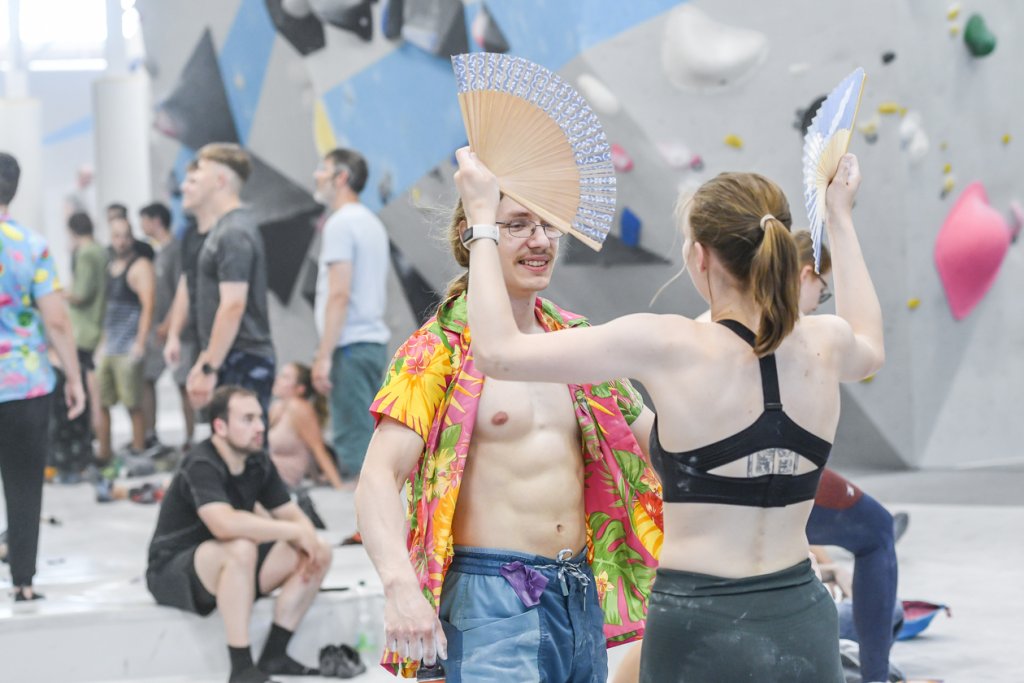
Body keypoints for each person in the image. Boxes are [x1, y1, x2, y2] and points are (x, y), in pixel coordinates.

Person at [459, 148, 883, 682]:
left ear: (700, 257)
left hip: (700, 624)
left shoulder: (668, 344)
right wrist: (840, 216)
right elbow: (872, 341)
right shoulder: (827, 342)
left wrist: (481, 220)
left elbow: (497, 354)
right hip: (803, 618)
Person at [355, 196, 662, 680]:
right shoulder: (438, 350)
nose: (539, 240)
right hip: (491, 599)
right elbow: (378, 475)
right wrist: (398, 586)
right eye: (518, 225)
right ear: (472, 235)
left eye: (547, 225)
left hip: (578, 591)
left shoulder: (575, 340)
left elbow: (657, 442)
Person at [146, 385, 332, 683]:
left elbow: (294, 517)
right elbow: (224, 525)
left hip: (230, 569)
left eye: (260, 417)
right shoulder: (201, 462)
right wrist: (292, 530)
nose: (259, 427)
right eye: (247, 419)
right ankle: (242, 668)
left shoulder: (257, 461)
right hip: (172, 571)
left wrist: (305, 536)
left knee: (319, 550)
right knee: (240, 547)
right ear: (220, 426)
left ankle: (274, 653)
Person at [794, 231, 900, 683]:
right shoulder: (811, 333)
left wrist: (819, 555)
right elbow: (869, 347)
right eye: (823, 287)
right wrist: (841, 215)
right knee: (877, 532)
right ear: (804, 275)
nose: (822, 298)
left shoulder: (703, 326)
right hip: (785, 483)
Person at [0, 151, 87, 601]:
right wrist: (74, 378)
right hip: (25, 383)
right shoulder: (31, 246)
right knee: (24, 482)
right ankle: (23, 582)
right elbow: (56, 321)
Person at [310, 148, 390, 484]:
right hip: (371, 344)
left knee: (355, 443)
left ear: (341, 178)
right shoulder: (370, 222)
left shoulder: (340, 224)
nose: (316, 175)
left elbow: (339, 293)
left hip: (350, 347)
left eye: (323, 169)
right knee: (371, 441)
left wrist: (324, 355)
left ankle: (367, 533)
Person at [182, 144, 276, 417]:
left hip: (242, 357)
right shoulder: (224, 229)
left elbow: (233, 305)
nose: (189, 184)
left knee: (247, 453)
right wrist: (206, 358)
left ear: (220, 181)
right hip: (231, 355)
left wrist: (210, 366)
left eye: (198, 175)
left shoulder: (233, 232)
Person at [96, 216, 155, 461]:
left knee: (133, 403)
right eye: (116, 236)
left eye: (125, 235)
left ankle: (138, 450)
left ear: (132, 237)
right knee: (103, 402)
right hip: (109, 345)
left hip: (128, 346)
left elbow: (149, 305)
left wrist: (140, 342)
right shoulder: (110, 266)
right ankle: (105, 452)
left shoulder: (140, 266)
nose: (121, 241)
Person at [138, 201, 189, 453]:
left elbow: (184, 289)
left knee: (185, 384)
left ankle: (190, 441)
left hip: (179, 332)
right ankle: (151, 436)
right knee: (147, 379)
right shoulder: (157, 252)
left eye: (144, 220)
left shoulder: (176, 251)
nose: (142, 226)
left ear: (156, 220)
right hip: (158, 331)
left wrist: (170, 325)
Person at [64, 210, 108, 464]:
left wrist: (55, 294)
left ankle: (92, 448)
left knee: (85, 389)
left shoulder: (87, 253)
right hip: (92, 324)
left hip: (83, 328)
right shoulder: (98, 251)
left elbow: (80, 293)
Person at [268, 362, 344, 490]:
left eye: (285, 377)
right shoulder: (276, 407)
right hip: (268, 475)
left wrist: (338, 486)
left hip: (282, 482)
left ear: (300, 389)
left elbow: (318, 449)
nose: (277, 379)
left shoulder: (299, 408)